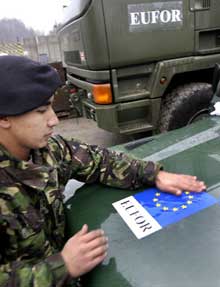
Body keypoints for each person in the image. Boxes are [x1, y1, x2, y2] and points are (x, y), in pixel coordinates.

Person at [0, 56, 206, 286]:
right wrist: (62, 266)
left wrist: (154, 174)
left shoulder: (47, 151)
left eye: (51, 106)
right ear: (4, 118)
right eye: (41, 111)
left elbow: (98, 160)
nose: (54, 120)